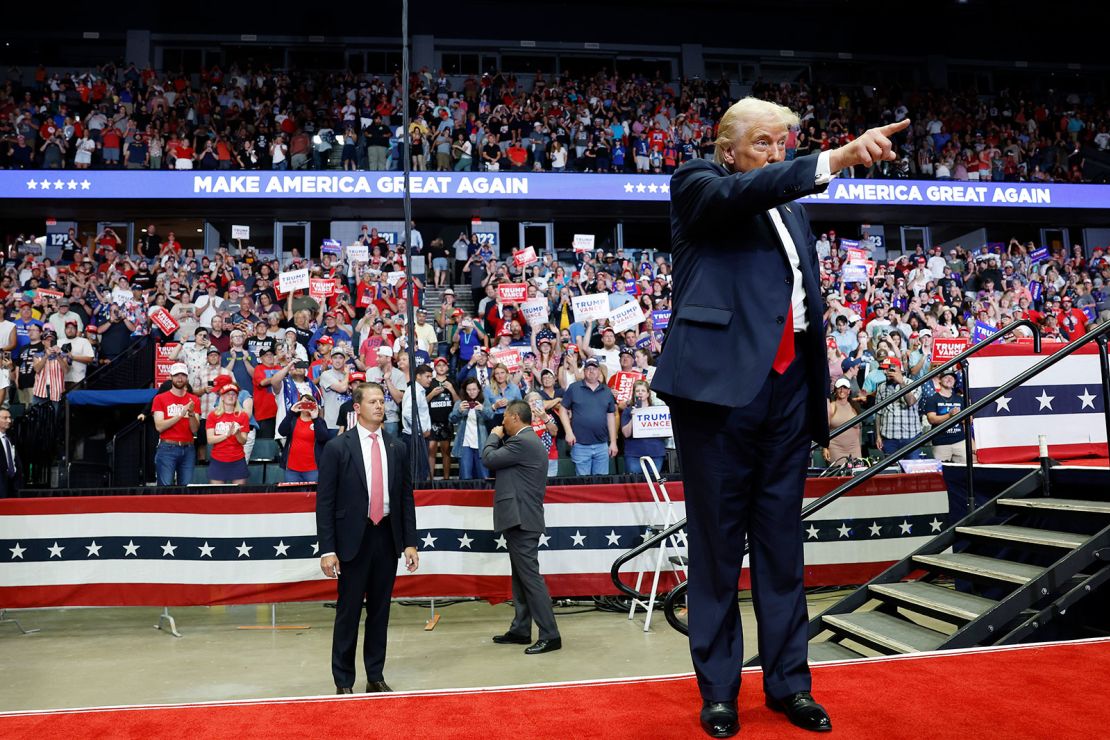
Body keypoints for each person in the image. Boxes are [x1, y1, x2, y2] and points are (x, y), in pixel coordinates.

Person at [652, 96, 907, 737]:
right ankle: (719, 693)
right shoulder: (697, 184)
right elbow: (746, 193)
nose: (777, 152)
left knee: (781, 547)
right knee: (715, 549)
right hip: (718, 395)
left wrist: (819, 383)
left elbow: (800, 303)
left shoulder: (792, 211)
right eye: (764, 142)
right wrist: (835, 157)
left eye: (785, 141)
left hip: (789, 390)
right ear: (728, 147)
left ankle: (789, 684)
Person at [316, 382, 419, 694]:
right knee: (348, 612)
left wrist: (410, 542)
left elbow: (405, 498)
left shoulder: (396, 446)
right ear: (357, 407)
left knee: (380, 611)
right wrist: (327, 549)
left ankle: (375, 675)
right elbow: (325, 502)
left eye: (382, 401)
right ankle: (343, 681)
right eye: (372, 401)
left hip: (386, 537)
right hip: (352, 541)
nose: (379, 406)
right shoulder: (338, 448)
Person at [481, 399, 561, 654]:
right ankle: (521, 629)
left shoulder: (522, 441)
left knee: (530, 578)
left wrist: (493, 436)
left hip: (523, 519)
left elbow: (489, 458)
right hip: (522, 518)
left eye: (504, 417)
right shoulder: (526, 441)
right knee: (520, 576)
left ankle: (550, 634)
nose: (501, 422)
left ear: (515, 417)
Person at [558, 357, 618, 476]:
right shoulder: (574, 388)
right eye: (588, 368)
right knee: (582, 483)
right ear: (584, 371)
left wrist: (613, 442)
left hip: (602, 444)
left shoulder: (607, 391)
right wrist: (568, 432)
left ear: (599, 371)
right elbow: (562, 409)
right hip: (580, 444)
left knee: (601, 484)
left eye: (594, 368)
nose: (591, 371)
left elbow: (611, 416)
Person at [151, 363, 202, 486]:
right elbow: (159, 426)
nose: (180, 378)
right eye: (176, 375)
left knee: (186, 488)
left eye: (183, 375)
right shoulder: (160, 398)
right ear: (170, 377)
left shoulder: (194, 399)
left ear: (187, 377)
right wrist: (180, 414)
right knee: (165, 489)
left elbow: (195, 429)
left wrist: (190, 414)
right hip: (167, 447)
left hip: (188, 447)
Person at [874, 356, 924, 457]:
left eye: (890, 369)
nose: (886, 372)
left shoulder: (914, 384)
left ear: (899, 369)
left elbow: (910, 402)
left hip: (911, 437)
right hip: (889, 438)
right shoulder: (881, 387)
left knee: (912, 471)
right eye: (884, 369)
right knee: (892, 471)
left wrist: (901, 383)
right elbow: (878, 413)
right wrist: (878, 436)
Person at [279, 393, 332, 483]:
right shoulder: (292, 420)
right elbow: (282, 431)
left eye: (310, 403)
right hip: (292, 468)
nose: (307, 405)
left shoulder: (319, 422)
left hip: (313, 469)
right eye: (304, 402)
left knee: (311, 496)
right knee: (292, 496)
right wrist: (291, 412)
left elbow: (323, 438)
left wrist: (315, 418)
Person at [205, 379, 250, 485]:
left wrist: (237, 433)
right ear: (222, 397)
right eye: (227, 394)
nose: (231, 396)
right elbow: (210, 439)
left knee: (238, 496)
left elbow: (243, 441)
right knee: (217, 496)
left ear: (237, 397)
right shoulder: (213, 415)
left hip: (237, 459)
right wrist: (227, 434)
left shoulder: (242, 416)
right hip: (218, 459)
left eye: (234, 394)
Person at [449, 377, 494, 479]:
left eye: (474, 389)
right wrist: (459, 411)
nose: (472, 392)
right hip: (465, 443)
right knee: (465, 477)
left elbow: (490, 416)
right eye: (469, 390)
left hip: (481, 443)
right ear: (465, 390)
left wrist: (482, 409)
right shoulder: (460, 402)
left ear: (479, 389)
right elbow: (452, 419)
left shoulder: (484, 401)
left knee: (483, 476)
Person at [620, 380, 666, 477]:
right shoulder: (628, 411)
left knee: (654, 483)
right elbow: (626, 433)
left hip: (656, 453)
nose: (640, 392)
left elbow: (665, 431)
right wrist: (634, 416)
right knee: (635, 485)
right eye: (637, 391)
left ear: (648, 394)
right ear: (634, 394)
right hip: (634, 454)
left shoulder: (657, 411)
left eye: (643, 390)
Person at [923, 368, 968, 463]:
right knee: (942, 474)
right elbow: (932, 419)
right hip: (941, 443)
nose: (949, 379)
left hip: (960, 442)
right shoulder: (932, 399)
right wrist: (949, 415)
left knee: (964, 472)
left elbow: (968, 420)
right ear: (939, 380)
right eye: (946, 377)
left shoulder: (960, 399)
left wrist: (960, 416)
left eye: (952, 377)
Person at [823, 378, 863, 465]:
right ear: (835, 390)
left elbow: (859, 429)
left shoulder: (855, 407)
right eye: (839, 388)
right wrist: (825, 448)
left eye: (845, 388)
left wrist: (859, 446)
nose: (842, 390)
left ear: (849, 391)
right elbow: (824, 428)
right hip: (836, 449)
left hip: (854, 449)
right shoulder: (831, 407)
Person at [525, 391, 560, 477]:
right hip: (531, 459)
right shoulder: (523, 419)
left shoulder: (548, 417)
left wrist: (545, 419)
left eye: (537, 400)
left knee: (549, 487)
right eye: (531, 401)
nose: (534, 403)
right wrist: (530, 419)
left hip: (550, 458)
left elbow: (554, 432)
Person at [0, 408, 22, 498]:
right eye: (5, 418)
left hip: (13, 485)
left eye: (9, 418)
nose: (9, 421)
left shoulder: (10, 438)